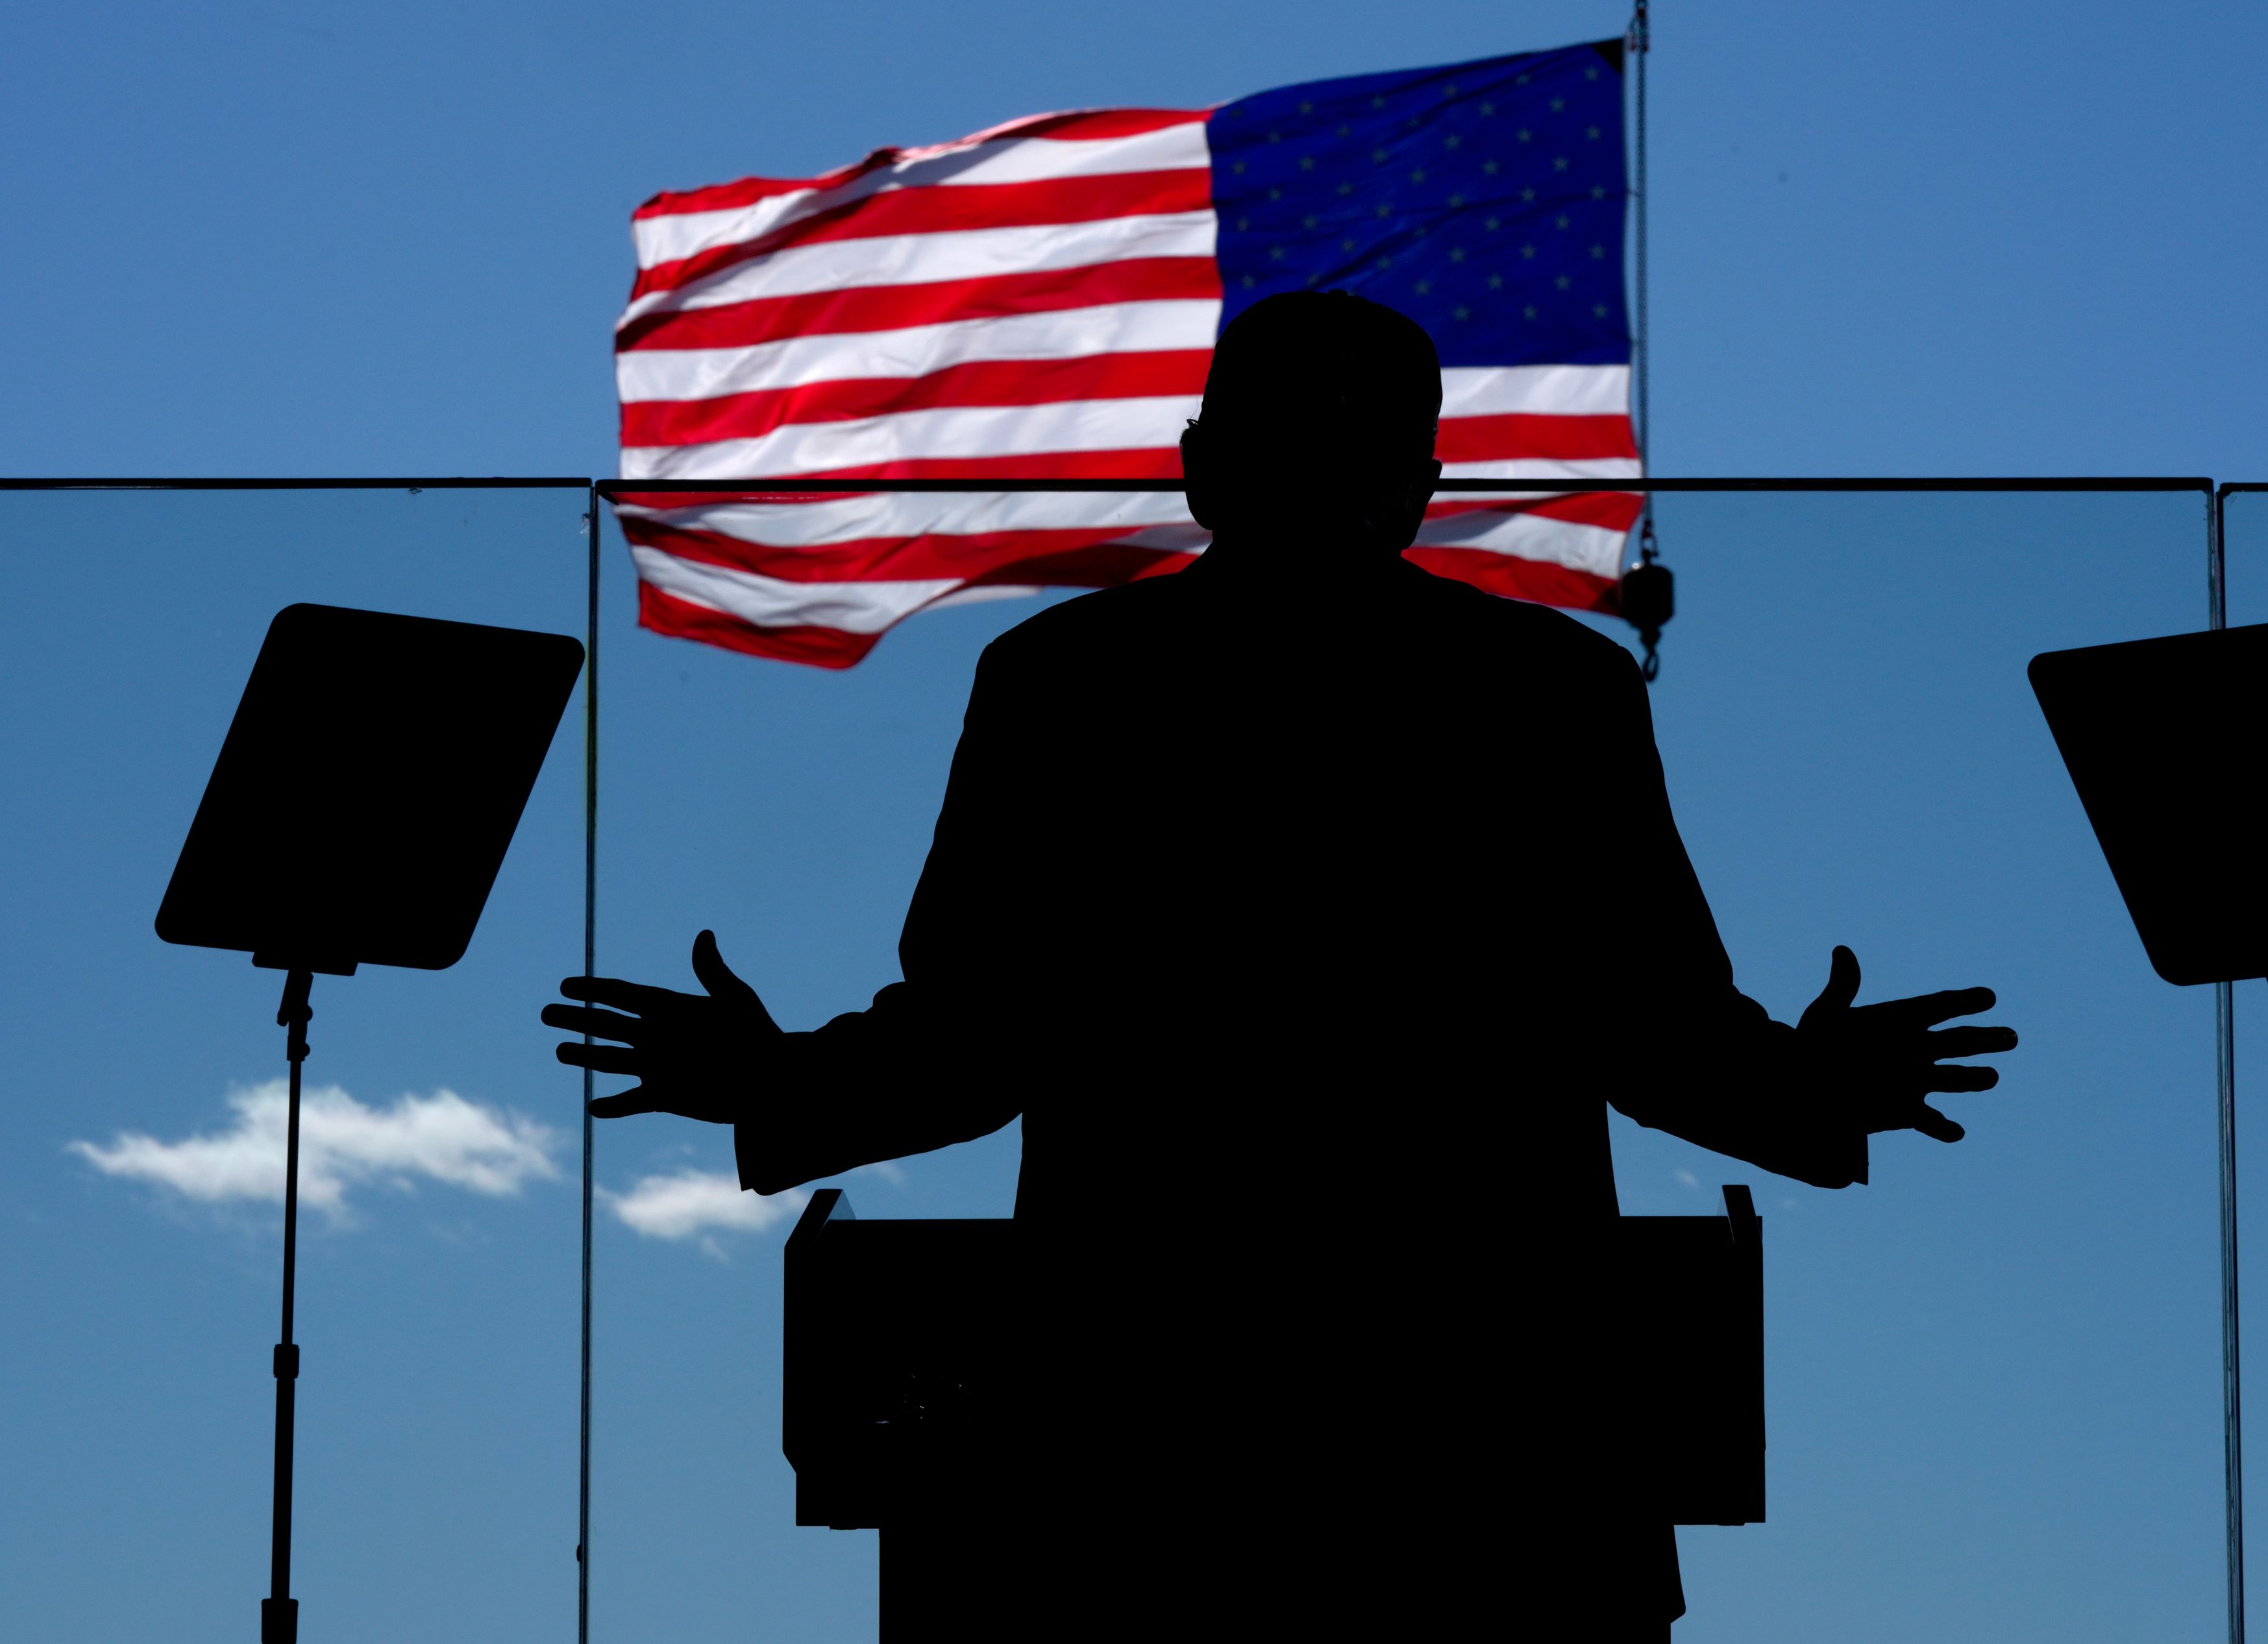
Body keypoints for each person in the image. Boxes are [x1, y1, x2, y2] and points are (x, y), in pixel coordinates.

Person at [542, 291, 2015, 1638]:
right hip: (1491, 1453)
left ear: (1197, 465)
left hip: (1158, 1443)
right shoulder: (1548, 695)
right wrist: (1811, 1092)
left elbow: (978, 1041)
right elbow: (1654, 1034)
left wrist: (780, 1082)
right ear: (1420, 486)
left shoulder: (1071, 684)